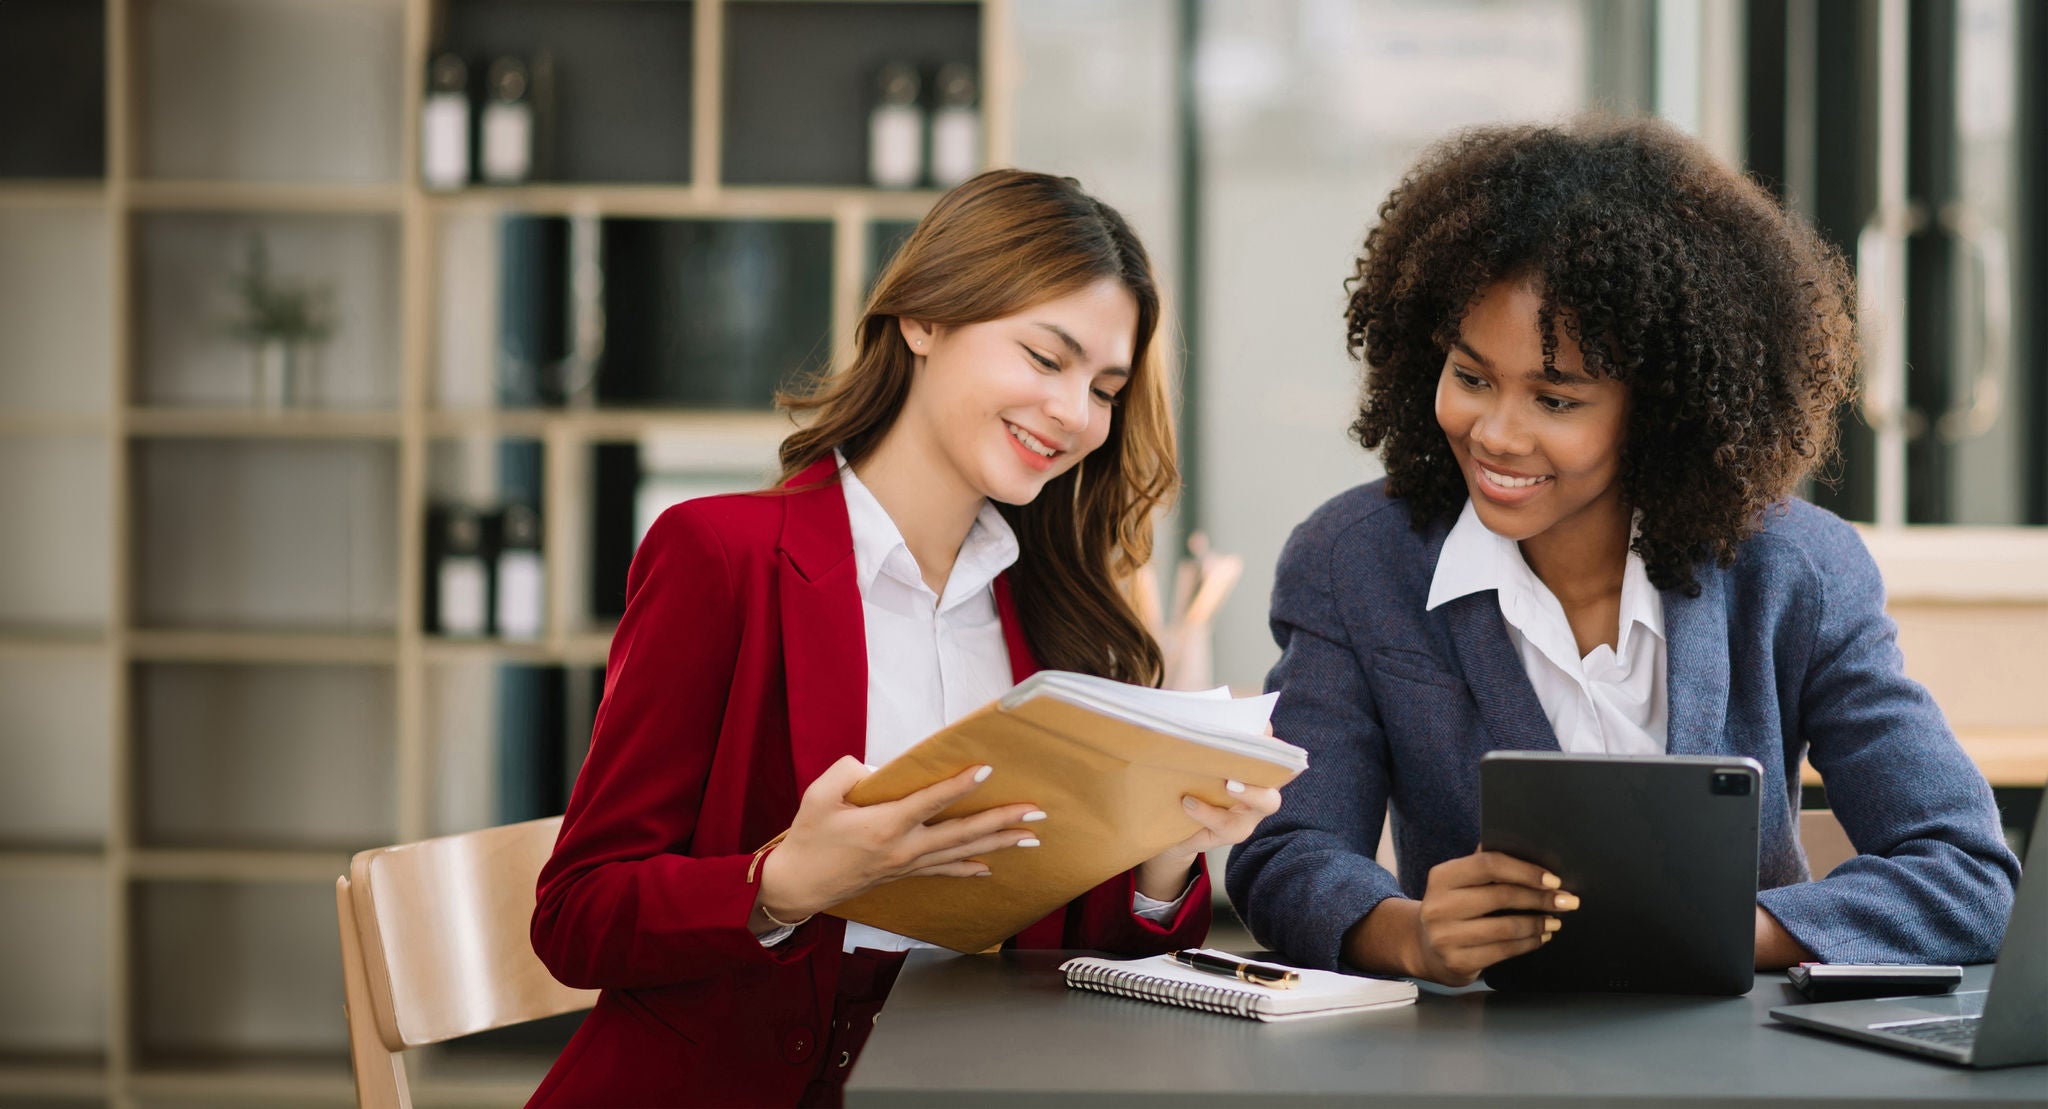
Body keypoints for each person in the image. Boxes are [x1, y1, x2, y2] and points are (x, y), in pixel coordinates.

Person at [528, 169, 1284, 1108]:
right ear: (923, 318)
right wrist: (782, 882)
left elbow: (1088, 969)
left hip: (970, 1082)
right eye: (1046, 360)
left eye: (1104, 386)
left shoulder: (1058, 622)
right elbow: (576, 917)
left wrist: (1170, 851)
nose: (1076, 414)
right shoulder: (719, 556)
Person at [1226, 117, 2019, 987]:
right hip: (1481, 1061)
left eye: (1555, 399)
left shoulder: (1798, 569)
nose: (1495, 433)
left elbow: (1965, 874)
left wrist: (1723, 932)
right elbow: (1286, 854)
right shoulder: (1353, 561)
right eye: (1471, 376)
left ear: (1662, 406)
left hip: (1744, 1064)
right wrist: (1407, 932)